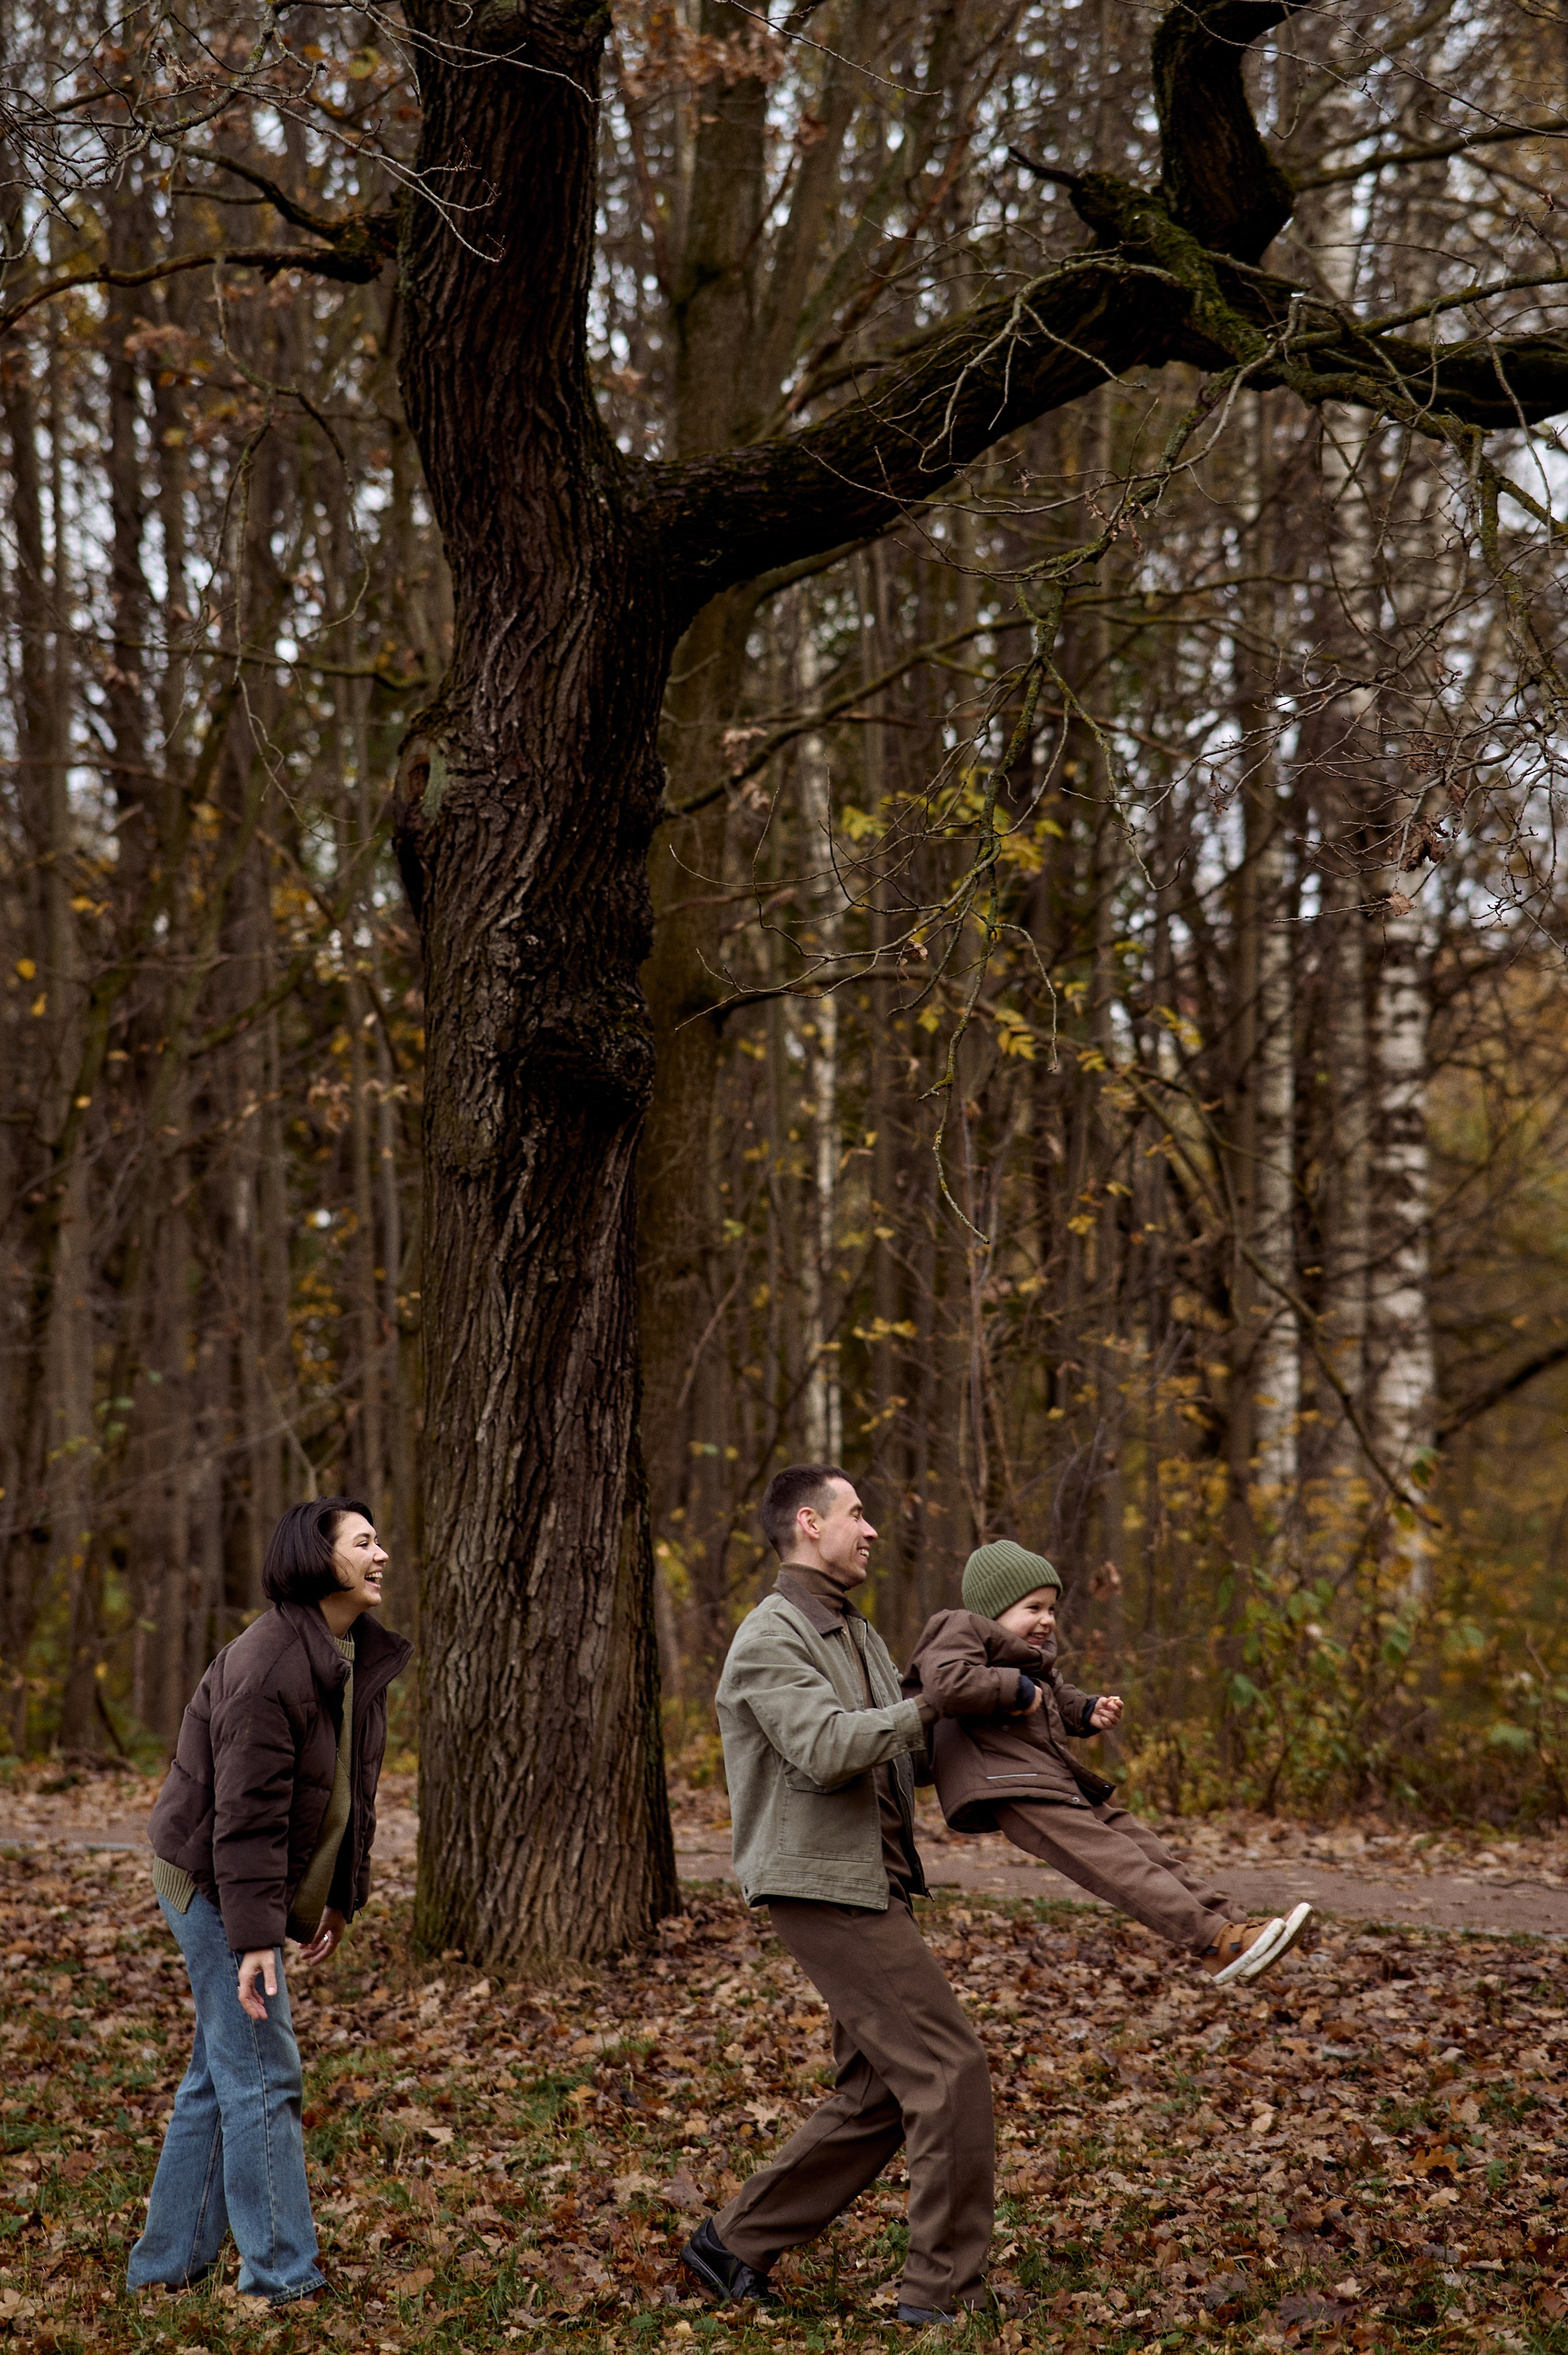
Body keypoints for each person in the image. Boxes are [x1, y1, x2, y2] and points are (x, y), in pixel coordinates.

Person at [682, 1465, 994, 2328]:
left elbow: (892, 1750)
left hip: (871, 1881)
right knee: (948, 2072)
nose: (870, 1530)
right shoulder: (770, 1636)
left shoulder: (851, 1632)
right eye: (857, 1514)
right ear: (809, 1523)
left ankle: (731, 2245)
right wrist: (929, 1704)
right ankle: (943, 2297)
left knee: (879, 2095)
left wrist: (987, 1722)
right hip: (825, 1888)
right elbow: (824, 1747)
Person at [128, 1499, 412, 2306]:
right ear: (317, 1561)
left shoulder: (350, 1652)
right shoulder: (267, 1665)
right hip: (209, 1879)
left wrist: (340, 1900)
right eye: (364, 1543)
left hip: (241, 1882)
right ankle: (281, 2277)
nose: (381, 1554)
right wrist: (256, 1939)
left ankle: (167, 2267)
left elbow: (349, 1792)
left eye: (378, 1541)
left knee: (222, 2079)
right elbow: (243, 1819)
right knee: (263, 2076)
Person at [904, 1540, 1311, 1984]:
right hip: (1007, 1783)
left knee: (1146, 1848)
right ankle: (1213, 1940)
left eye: (1052, 1609)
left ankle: (1234, 1926)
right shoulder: (959, 1627)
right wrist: (1014, 1691)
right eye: (1033, 1607)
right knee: (1118, 1863)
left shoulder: (1029, 1658)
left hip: (1048, 1775)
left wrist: (1087, 1709)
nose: (1046, 1620)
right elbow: (946, 1684)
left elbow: (1054, 1694)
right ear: (991, 1611)